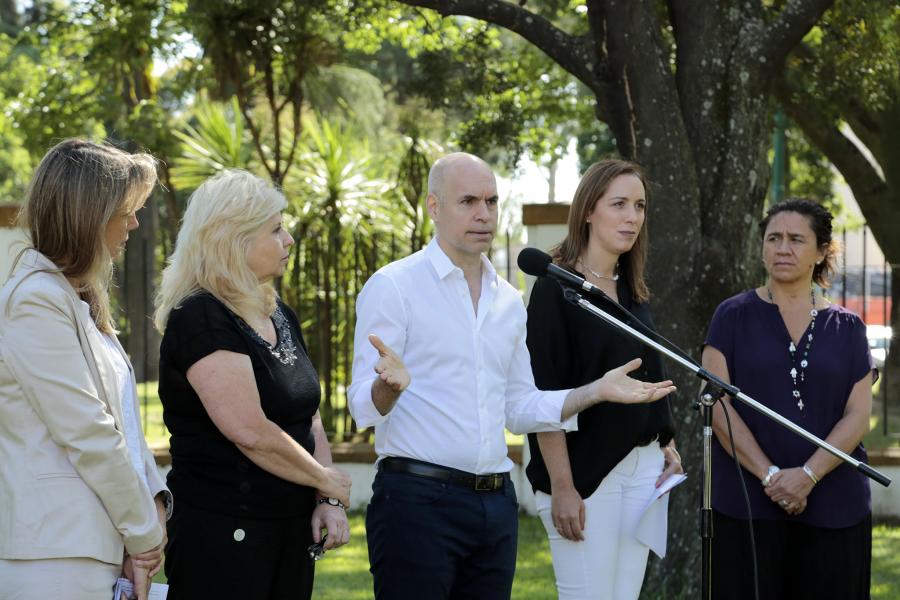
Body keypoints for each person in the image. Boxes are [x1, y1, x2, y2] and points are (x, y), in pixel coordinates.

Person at [348, 152, 677, 600]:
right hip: (417, 501)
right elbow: (361, 409)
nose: (483, 214)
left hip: (494, 504)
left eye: (491, 201)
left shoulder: (505, 299)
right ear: (433, 206)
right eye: (468, 201)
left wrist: (595, 391)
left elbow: (522, 407)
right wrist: (386, 388)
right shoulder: (394, 286)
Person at [153, 169, 352, 599]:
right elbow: (249, 430)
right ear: (234, 240)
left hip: (289, 532)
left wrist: (326, 498)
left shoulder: (276, 310)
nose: (289, 240)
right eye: (276, 230)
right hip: (224, 535)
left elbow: (307, 413)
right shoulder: (200, 315)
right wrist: (326, 478)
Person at [0, 139, 169, 600]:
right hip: (54, 555)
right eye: (126, 211)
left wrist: (154, 504)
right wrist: (144, 535)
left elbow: (125, 428)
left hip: (94, 548)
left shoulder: (75, 298)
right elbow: (88, 430)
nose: (134, 223)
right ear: (88, 216)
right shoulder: (35, 299)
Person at [525, 159, 683, 599]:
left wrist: (664, 441)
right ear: (589, 210)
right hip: (585, 475)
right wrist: (562, 487)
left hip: (644, 470)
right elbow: (543, 394)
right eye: (619, 204)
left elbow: (646, 375)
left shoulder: (633, 289)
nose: (632, 217)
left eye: (639, 206)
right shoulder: (556, 288)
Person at [702, 199, 874, 599]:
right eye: (774, 238)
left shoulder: (849, 328)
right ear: (761, 247)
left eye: (797, 239)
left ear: (820, 252)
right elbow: (719, 406)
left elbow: (858, 415)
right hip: (748, 505)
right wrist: (771, 477)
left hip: (836, 507)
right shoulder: (730, 316)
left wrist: (807, 476)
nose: (783, 248)